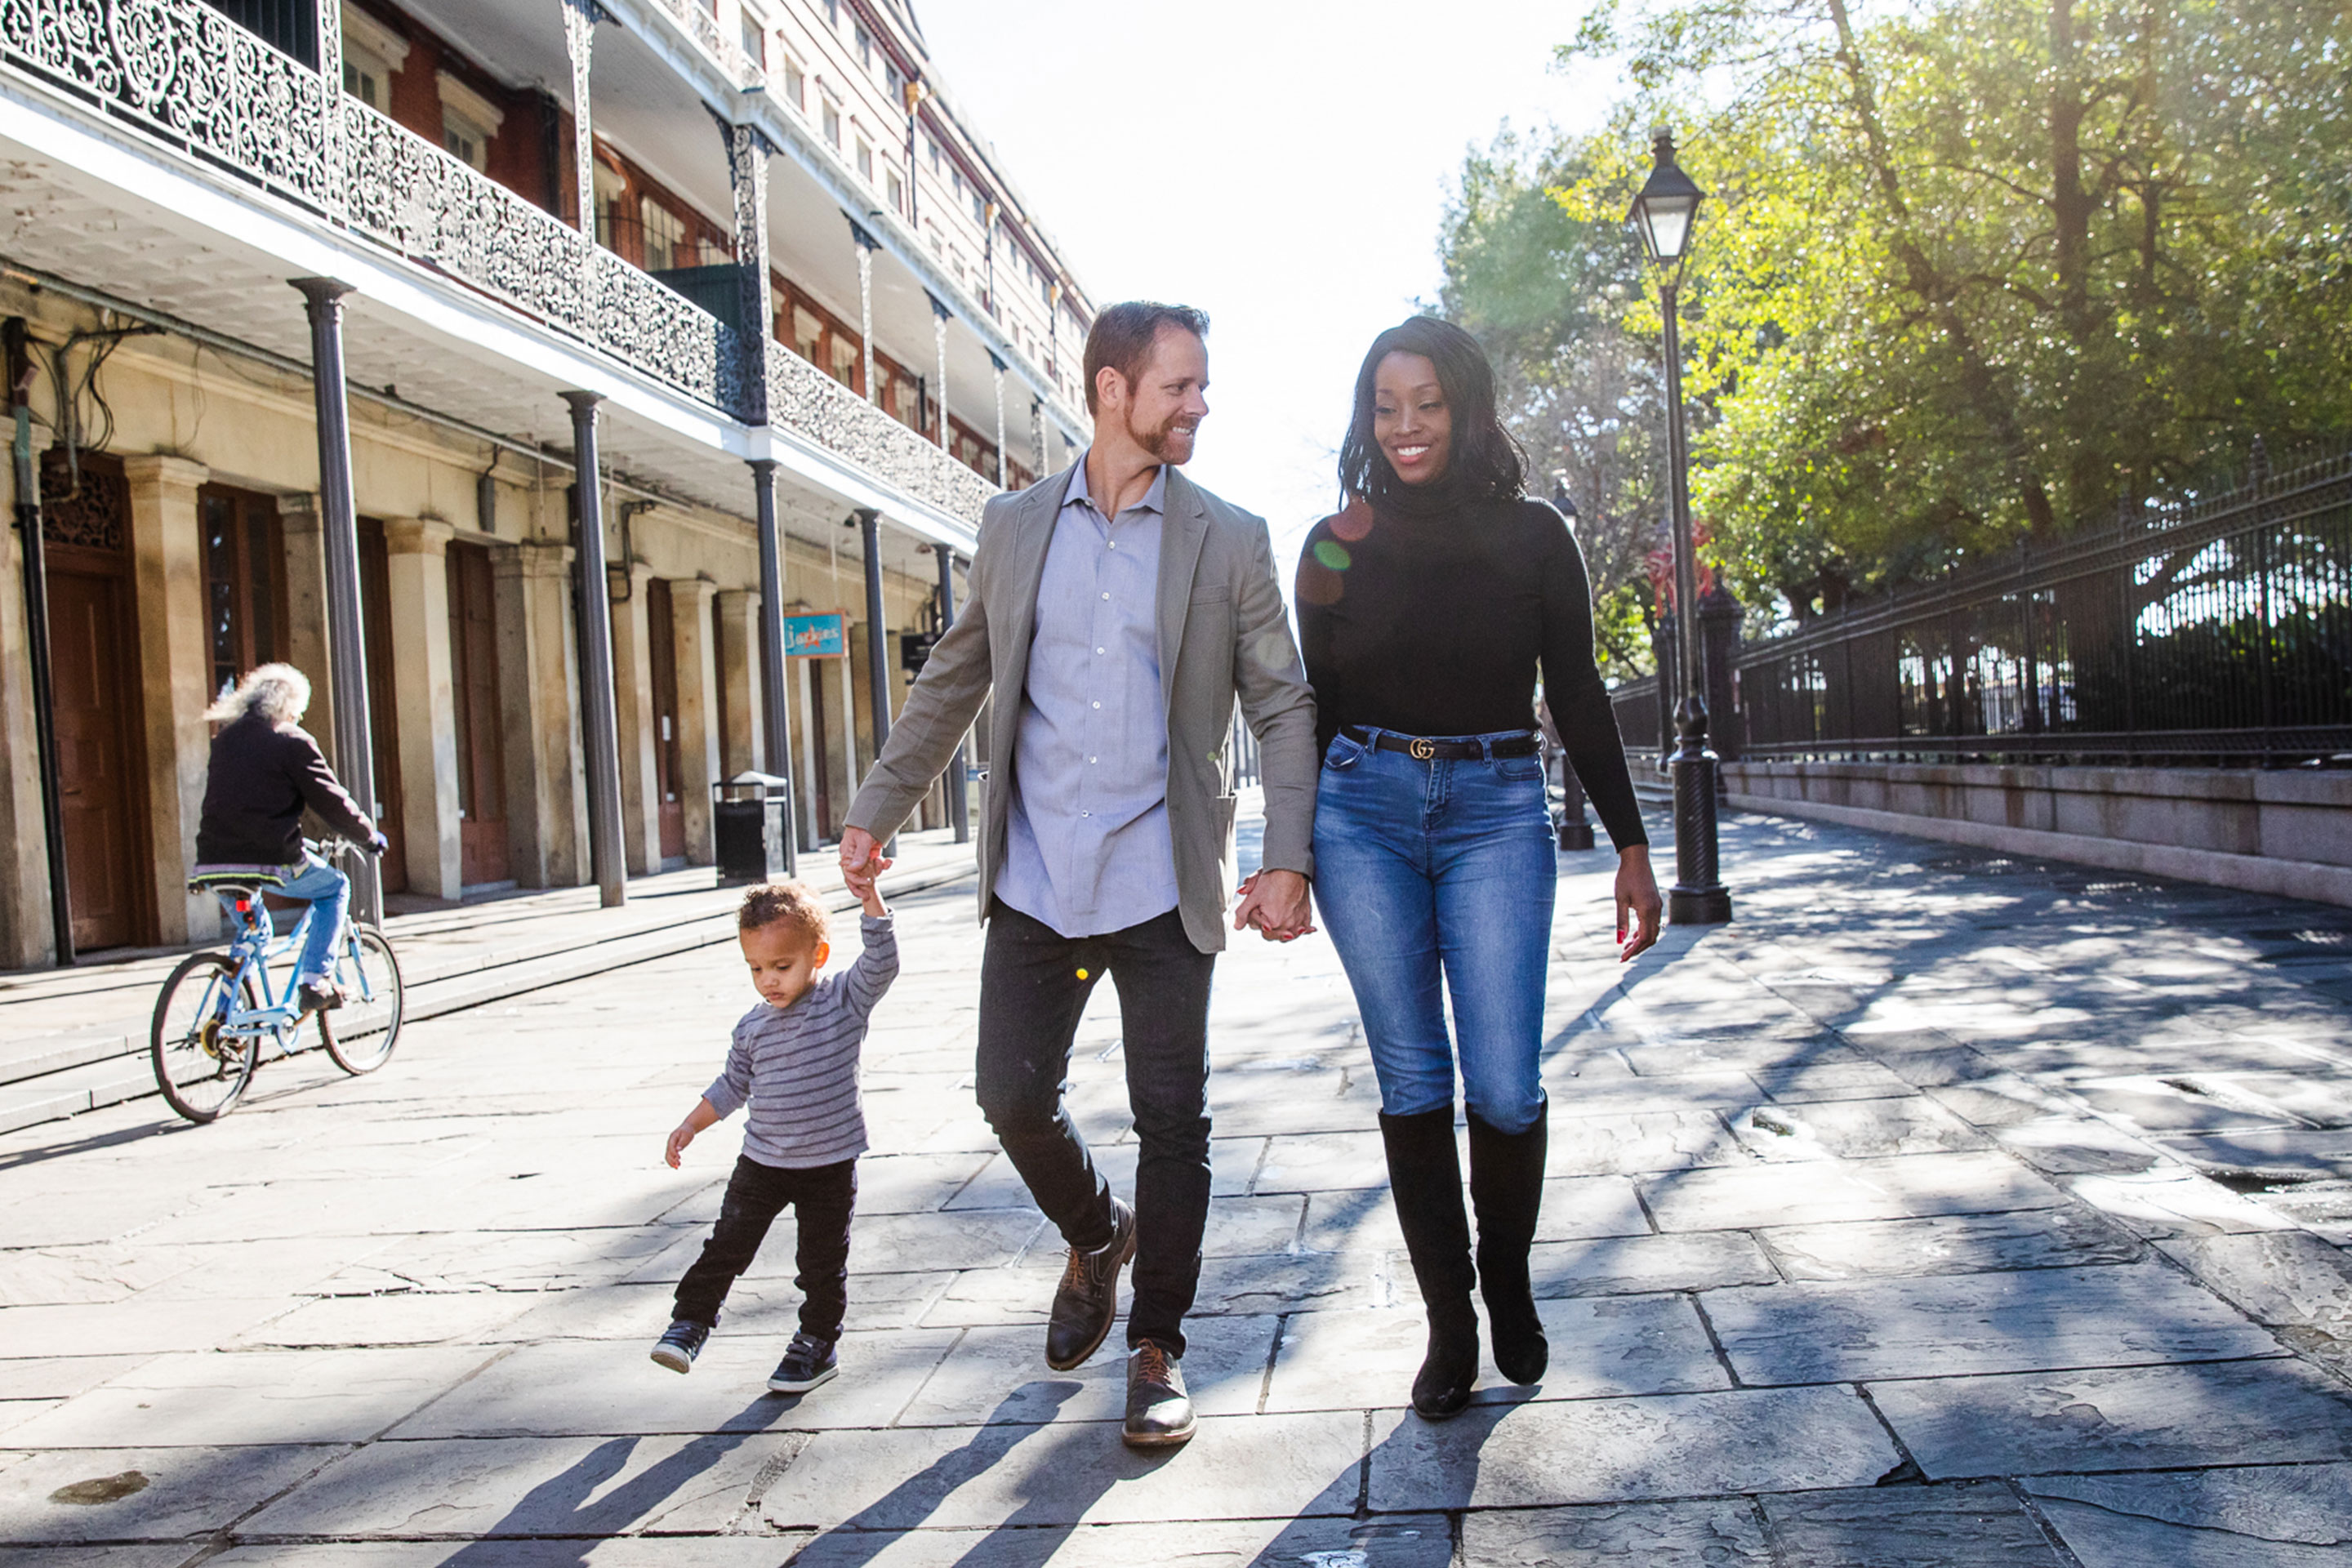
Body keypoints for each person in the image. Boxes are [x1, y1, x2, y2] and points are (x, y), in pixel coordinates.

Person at [835, 301, 1319, 1450]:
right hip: (1041, 874)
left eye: (1202, 387)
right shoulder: (1013, 526)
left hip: (1164, 873)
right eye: (1181, 386)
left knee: (1174, 1120)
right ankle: (1099, 1231)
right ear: (1112, 389)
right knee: (1010, 1095)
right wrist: (873, 809)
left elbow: (1283, 704)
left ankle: (1157, 1349)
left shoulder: (1230, 537)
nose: (1200, 404)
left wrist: (1287, 856)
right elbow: (954, 681)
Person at [1294, 316, 1663, 1420]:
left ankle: (1505, 1273)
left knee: (1504, 1083)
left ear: (1466, 406)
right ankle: (1449, 1322)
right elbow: (1311, 713)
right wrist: (1285, 860)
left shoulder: (1537, 537)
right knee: (1413, 1079)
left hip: (1499, 810)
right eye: (1385, 405)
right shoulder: (1330, 544)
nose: (1405, 426)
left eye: (1428, 404)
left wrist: (1634, 844)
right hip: (1362, 815)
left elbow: (1582, 692)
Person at [651, 876, 898, 1393]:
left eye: (782, 967)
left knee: (821, 1263)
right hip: (761, 1164)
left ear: (818, 955)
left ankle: (816, 1343)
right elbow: (731, 1085)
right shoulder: (752, 1028)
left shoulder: (842, 1003)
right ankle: (690, 1322)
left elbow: (882, 964)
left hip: (829, 1166)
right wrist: (689, 1125)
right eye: (756, 969)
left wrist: (870, 899)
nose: (769, 981)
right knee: (727, 1245)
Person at [192, 663, 386, 1014]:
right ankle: (317, 981)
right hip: (269, 858)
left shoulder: (225, 741)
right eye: (297, 710)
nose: (298, 717)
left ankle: (225, 1020)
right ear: (285, 705)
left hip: (213, 861)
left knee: (255, 934)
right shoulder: (291, 740)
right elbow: (332, 800)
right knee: (335, 888)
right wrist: (368, 836)